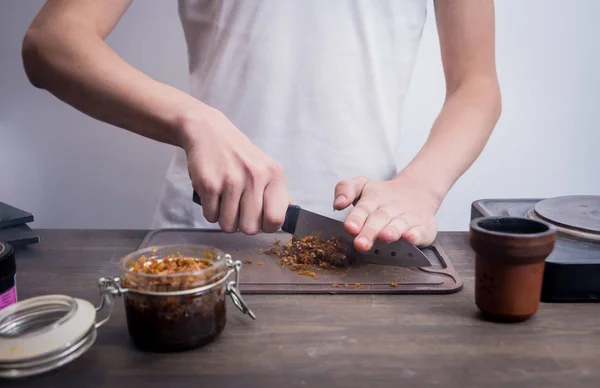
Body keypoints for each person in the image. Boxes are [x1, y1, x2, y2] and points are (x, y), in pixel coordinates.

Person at [21, 0, 501, 253]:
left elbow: (475, 85)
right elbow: (52, 41)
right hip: (204, 232)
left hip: (366, 240)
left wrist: (420, 187)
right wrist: (195, 119)